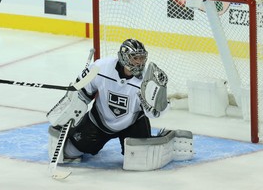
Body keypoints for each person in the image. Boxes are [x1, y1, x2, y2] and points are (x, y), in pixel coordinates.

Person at [47, 39, 192, 170]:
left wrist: (155, 106)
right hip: (99, 121)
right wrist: (74, 103)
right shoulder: (101, 67)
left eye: (142, 58)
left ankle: (168, 138)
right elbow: (82, 90)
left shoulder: (148, 80)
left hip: (132, 123)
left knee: (140, 161)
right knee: (70, 152)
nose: (140, 62)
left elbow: (155, 112)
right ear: (124, 57)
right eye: (135, 58)